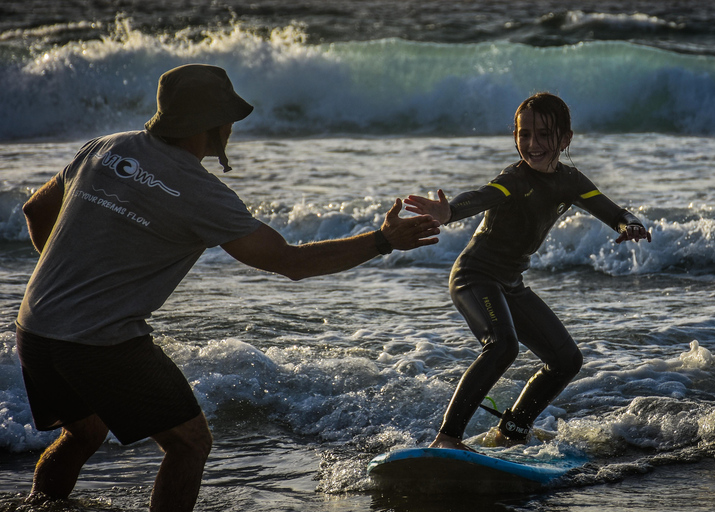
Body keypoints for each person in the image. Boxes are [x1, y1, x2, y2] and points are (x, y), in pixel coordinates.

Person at [15, 63, 440, 510]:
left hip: (35, 326)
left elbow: (34, 211)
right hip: (99, 342)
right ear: (216, 126)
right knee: (191, 444)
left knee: (84, 432)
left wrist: (72, 275)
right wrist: (382, 241)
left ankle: (38, 505)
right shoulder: (201, 192)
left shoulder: (105, 147)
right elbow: (289, 262)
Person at [404, 92, 651, 451]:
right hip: (474, 276)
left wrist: (631, 224)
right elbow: (482, 196)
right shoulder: (516, 179)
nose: (532, 144)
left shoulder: (572, 181)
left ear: (566, 139)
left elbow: (614, 212)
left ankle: (513, 430)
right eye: (524, 134)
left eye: (544, 135)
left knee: (566, 360)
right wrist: (450, 212)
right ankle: (446, 438)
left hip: (510, 283)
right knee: (502, 346)